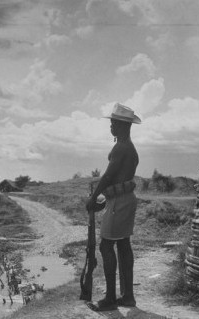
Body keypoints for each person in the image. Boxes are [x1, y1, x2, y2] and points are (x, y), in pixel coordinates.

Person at [86, 102, 141, 311]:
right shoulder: (128, 147)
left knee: (106, 245)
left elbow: (109, 176)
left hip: (120, 202)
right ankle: (127, 297)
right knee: (123, 244)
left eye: (114, 123)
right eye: (111, 123)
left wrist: (93, 199)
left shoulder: (121, 148)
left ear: (124, 126)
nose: (111, 126)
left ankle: (110, 299)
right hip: (122, 199)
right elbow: (116, 180)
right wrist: (104, 200)